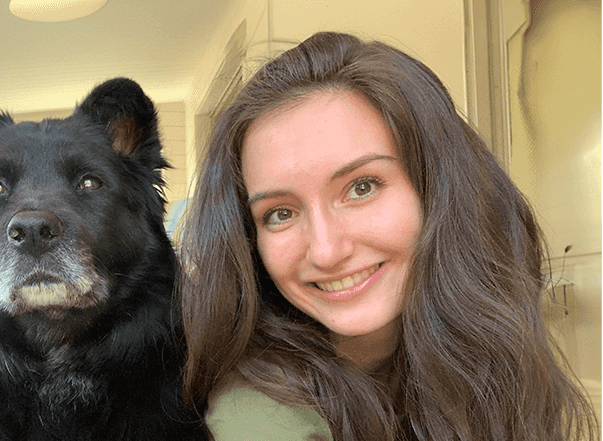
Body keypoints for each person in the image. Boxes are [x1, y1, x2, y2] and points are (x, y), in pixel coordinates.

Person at [178, 32, 598, 441]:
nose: (325, 251)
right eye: (280, 214)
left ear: (437, 187)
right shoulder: (259, 416)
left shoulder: (489, 350)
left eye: (362, 187)